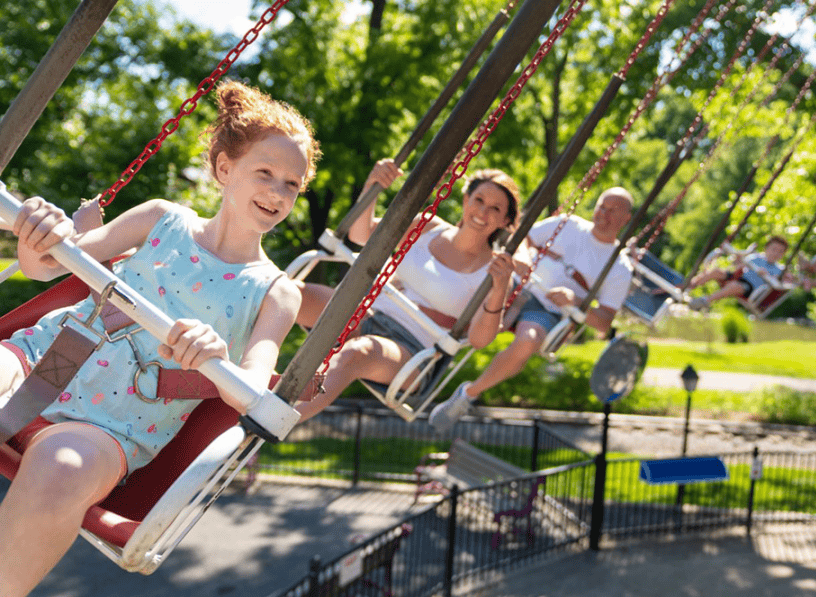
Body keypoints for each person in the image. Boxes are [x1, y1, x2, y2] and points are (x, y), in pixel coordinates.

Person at [0, 80, 319, 597]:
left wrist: (217, 357)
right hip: (43, 356)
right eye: (266, 173)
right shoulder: (160, 219)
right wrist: (39, 235)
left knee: (60, 470)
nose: (278, 192)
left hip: (115, 423)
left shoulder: (275, 292)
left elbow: (252, 392)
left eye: (292, 184)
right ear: (223, 169)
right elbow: (49, 266)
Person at [292, 159, 518, 421]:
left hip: (410, 349)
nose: (483, 211)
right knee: (289, 294)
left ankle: (276, 421)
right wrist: (372, 186)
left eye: (495, 208)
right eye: (479, 200)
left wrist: (500, 288)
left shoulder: (495, 273)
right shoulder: (427, 226)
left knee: (357, 352)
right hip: (366, 313)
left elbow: (479, 340)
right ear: (466, 200)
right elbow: (361, 235)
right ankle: (245, 374)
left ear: (505, 220)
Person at [429, 187, 635, 432]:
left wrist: (575, 302)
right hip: (517, 285)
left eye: (613, 211)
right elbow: (524, 237)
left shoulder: (619, 267)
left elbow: (603, 322)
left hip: (547, 310)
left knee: (528, 341)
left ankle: (468, 394)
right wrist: (524, 258)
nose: (604, 214)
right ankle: (425, 349)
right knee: (469, 303)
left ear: (625, 219)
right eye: (602, 206)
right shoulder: (566, 224)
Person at [687, 235, 794, 311]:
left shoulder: (780, 269)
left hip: (750, 288)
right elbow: (737, 266)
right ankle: (689, 287)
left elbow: (782, 283)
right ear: (766, 248)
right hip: (739, 277)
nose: (776, 253)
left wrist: (770, 276)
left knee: (735, 286)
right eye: (774, 249)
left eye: (780, 251)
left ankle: (705, 300)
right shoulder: (756, 258)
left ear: (783, 255)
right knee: (717, 271)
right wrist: (737, 260)